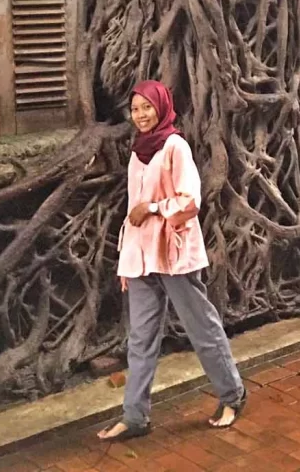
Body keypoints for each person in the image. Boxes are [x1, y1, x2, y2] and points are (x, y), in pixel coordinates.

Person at [97, 80, 247, 442]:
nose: (141, 115)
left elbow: (190, 200)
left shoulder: (174, 146)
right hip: (142, 260)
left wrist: (152, 208)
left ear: (161, 107)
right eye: (135, 109)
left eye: (147, 107)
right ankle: (135, 417)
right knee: (140, 339)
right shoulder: (137, 152)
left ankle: (233, 396)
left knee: (202, 329)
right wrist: (126, 263)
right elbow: (133, 213)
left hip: (175, 255)